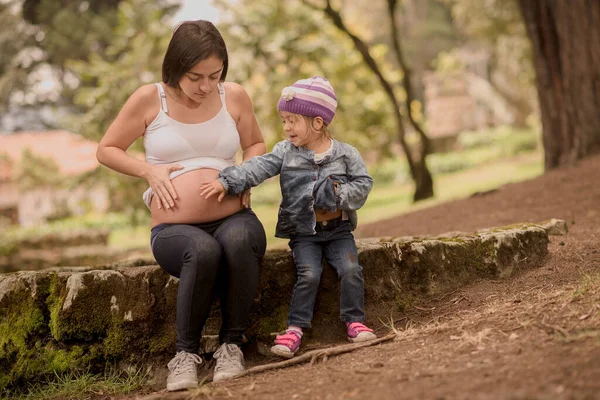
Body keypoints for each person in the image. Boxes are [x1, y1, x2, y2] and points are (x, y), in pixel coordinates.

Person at [96, 20, 267, 390]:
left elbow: (255, 143)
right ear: (175, 68)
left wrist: (247, 173)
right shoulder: (149, 98)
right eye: (195, 77)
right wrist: (149, 171)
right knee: (202, 251)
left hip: (234, 215)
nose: (206, 86)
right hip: (174, 229)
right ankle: (185, 356)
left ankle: (231, 347)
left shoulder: (233, 96)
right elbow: (106, 150)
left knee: (238, 242)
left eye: (214, 75)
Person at [200, 75, 377, 359]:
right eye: (283, 120)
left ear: (317, 123)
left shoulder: (346, 154)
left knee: (351, 269)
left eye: (292, 120)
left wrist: (337, 194)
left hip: (339, 231)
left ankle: (354, 321)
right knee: (309, 273)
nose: (286, 127)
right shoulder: (286, 153)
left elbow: (363, 184)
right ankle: (295, 329)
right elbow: (257, 167)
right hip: (303, 233)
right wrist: (229, 181)